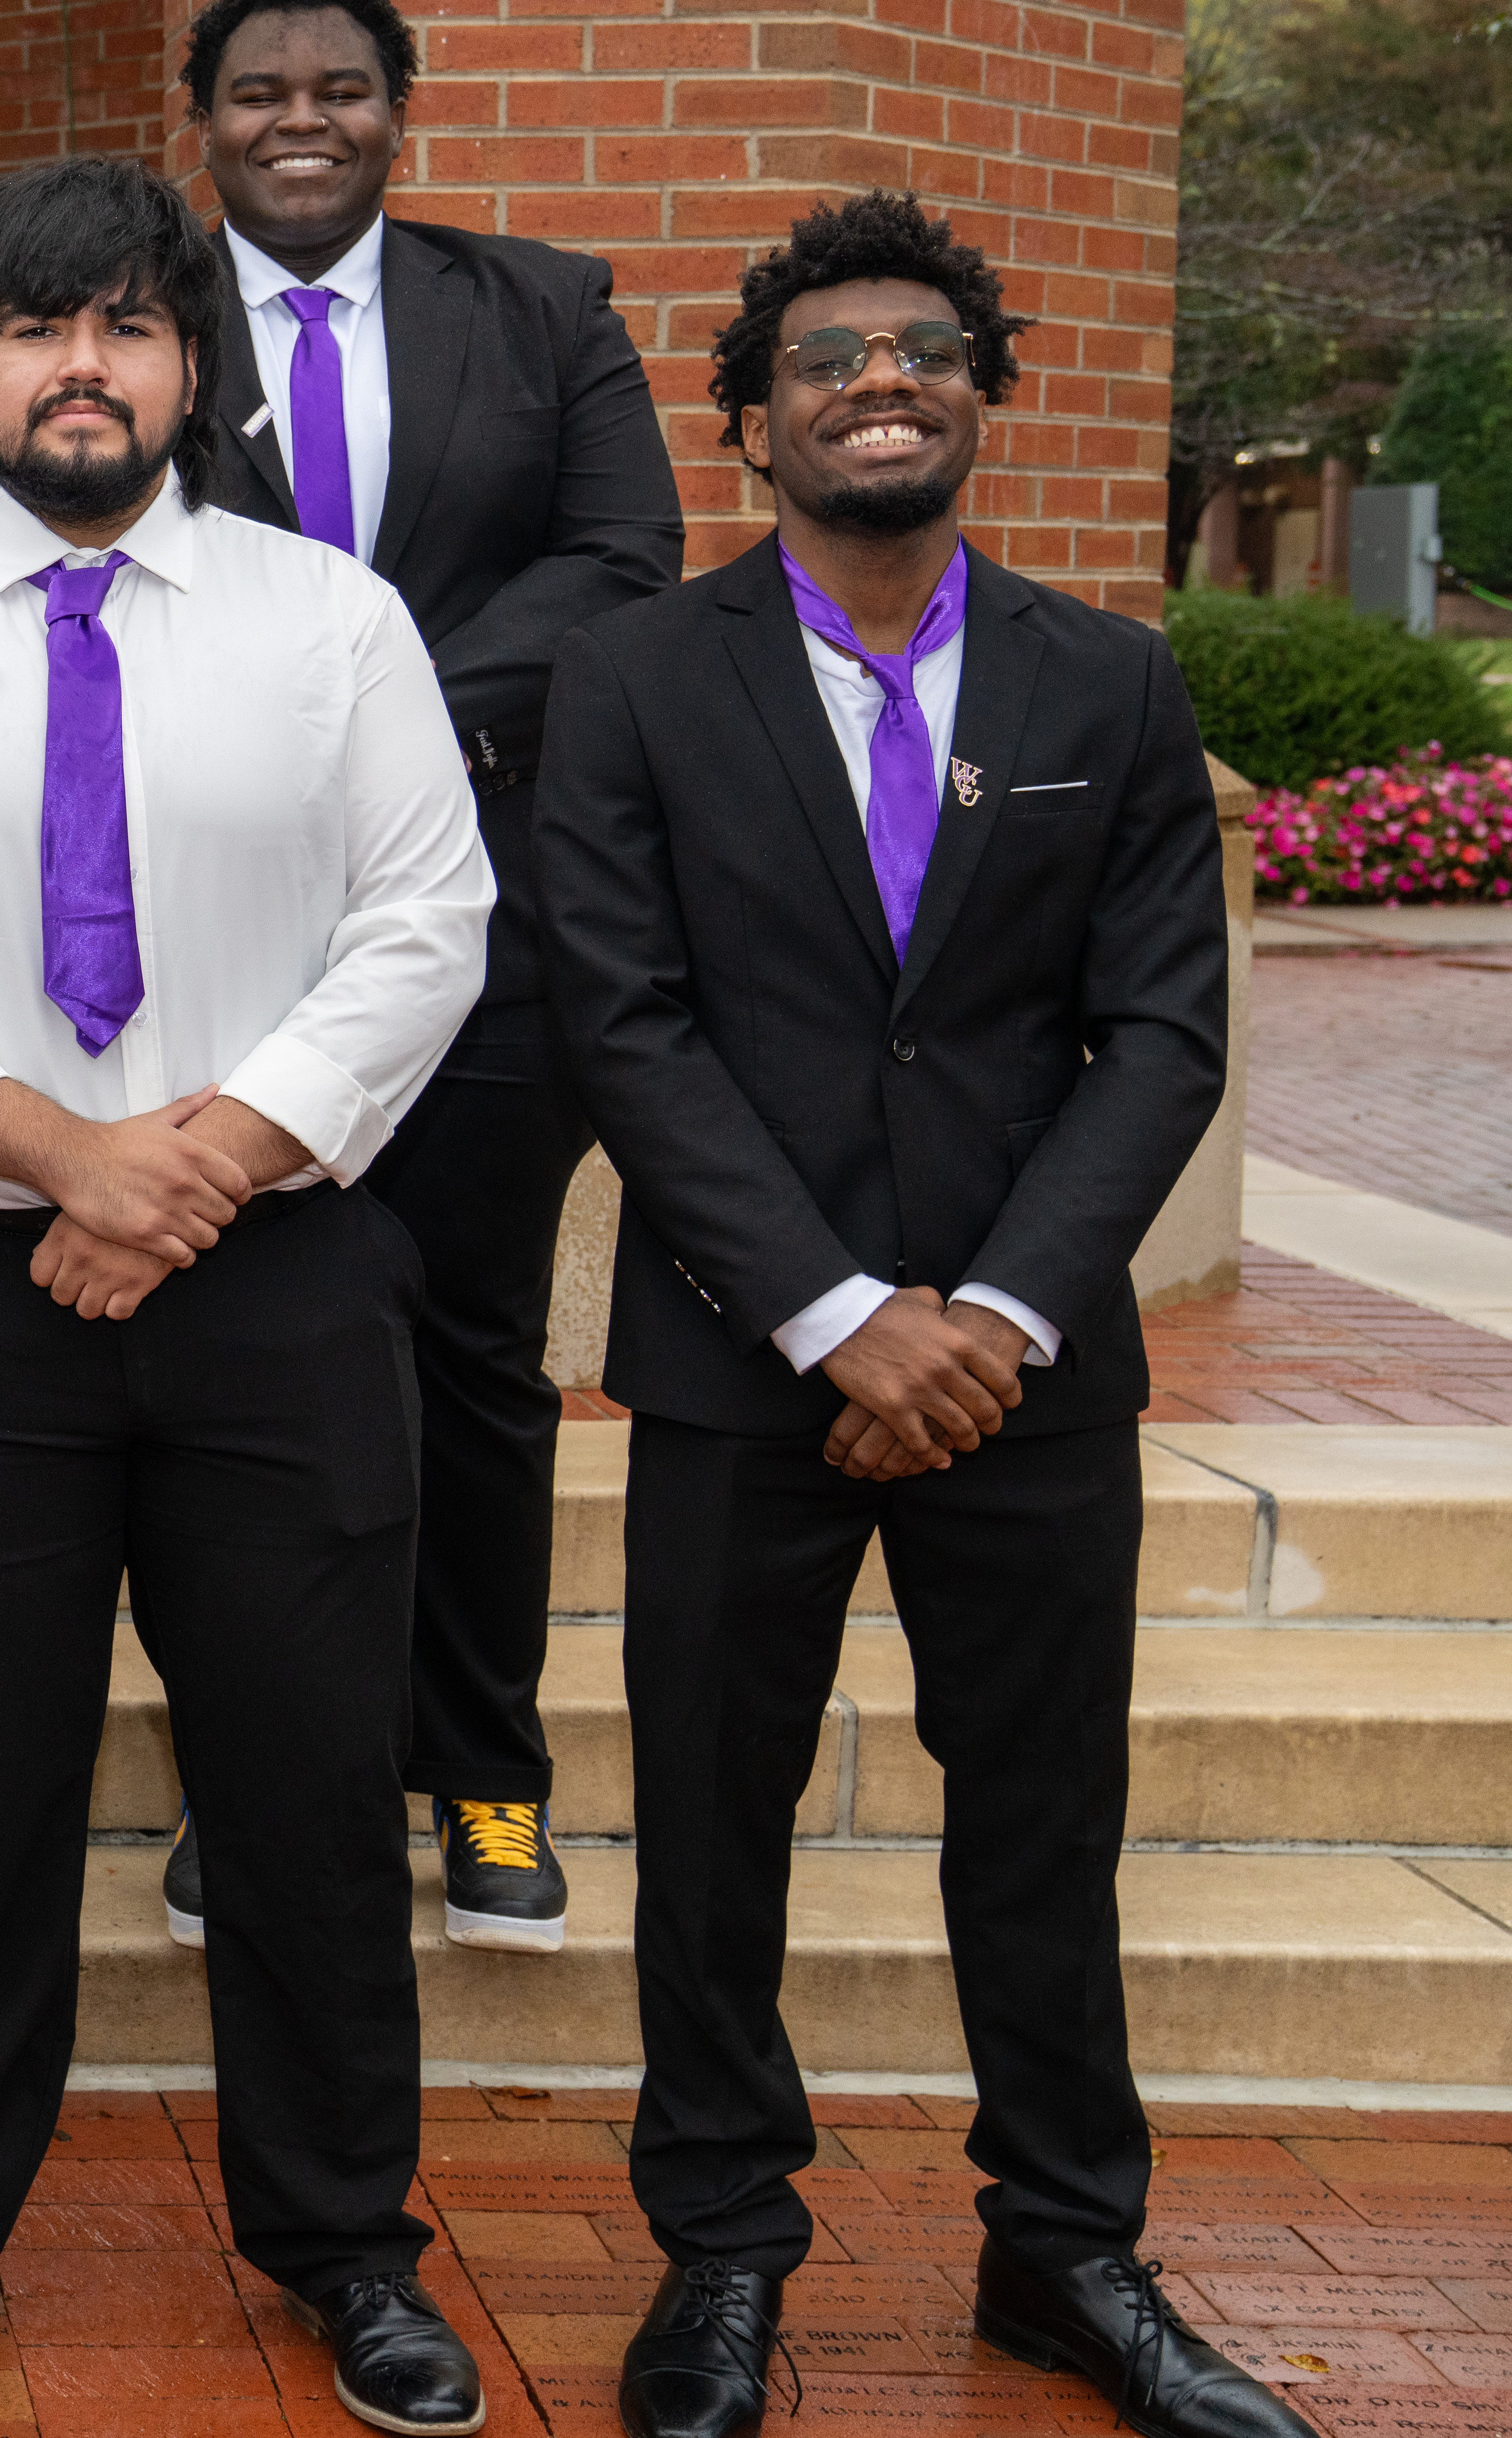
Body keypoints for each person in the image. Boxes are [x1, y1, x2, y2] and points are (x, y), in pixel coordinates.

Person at [0, 158, 493, 2434]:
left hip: (277, 1282)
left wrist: (194, 1168)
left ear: (189, 368)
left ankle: (347, 2241)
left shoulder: (327, 619)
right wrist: (69, 1159)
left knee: (309, 1793)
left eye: (129, 327)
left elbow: (422, 927)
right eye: (36, 327)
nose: (83, 366)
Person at [538, 193, 1286, 2438]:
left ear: (981, 396)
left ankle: (1062, 2251)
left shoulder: (1107, 682)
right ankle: (721, 2260)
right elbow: (620, 1015)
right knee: (712, 1827)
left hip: (1025, 1378)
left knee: (1038, 1827)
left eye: (924, 350)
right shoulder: (632, 679)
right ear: (749, 421)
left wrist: (993, 1313)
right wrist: (834, 1310)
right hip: (738, 1355)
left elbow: (1159, 1034)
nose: (881, 379)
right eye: (829, 358)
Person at [174, 0, 681, 1954]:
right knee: (243, 1379)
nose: (298, 120)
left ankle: (483, 1773)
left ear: (400, 110)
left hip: (484, 936)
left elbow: (615, 566)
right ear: (199, 120)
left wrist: (353, 686)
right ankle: (255, 1781)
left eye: (338, 88)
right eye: (254, 91)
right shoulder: (130, 313)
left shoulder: (539, 310)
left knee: (471, 1367)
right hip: (214, 943)